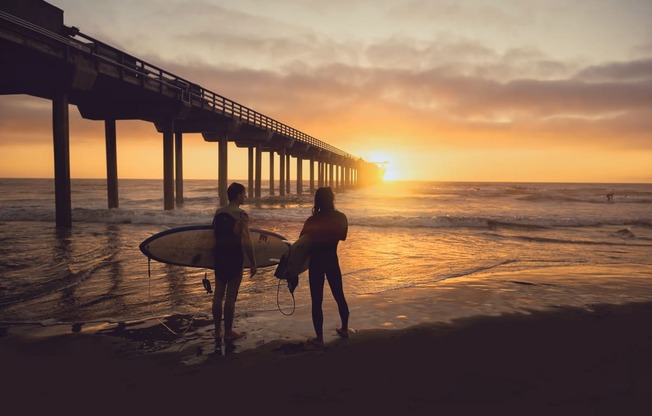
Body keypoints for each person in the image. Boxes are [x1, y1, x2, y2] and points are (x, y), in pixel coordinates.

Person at [299, 187, 349, 347]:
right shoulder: (341, 217)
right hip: (331, 259)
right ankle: (345, 329)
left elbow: (301, 243)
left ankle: (319, 338)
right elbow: (343, 236)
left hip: (316, 262)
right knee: (339, 295)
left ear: (317, 201)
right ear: (332, 199)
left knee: (317, 301)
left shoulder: (312, 221)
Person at [211, 182, 257, 350]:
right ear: (238, 195)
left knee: (218, 295)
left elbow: (213, 236)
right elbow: (246, 239)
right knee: (230, 297)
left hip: (220, 256)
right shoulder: (241, 215)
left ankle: (217, 331)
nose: (245, 197)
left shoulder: (218, 212)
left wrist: (210, 258)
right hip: (234, 257)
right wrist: (253, 262)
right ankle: (228, 331)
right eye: (244, 194)